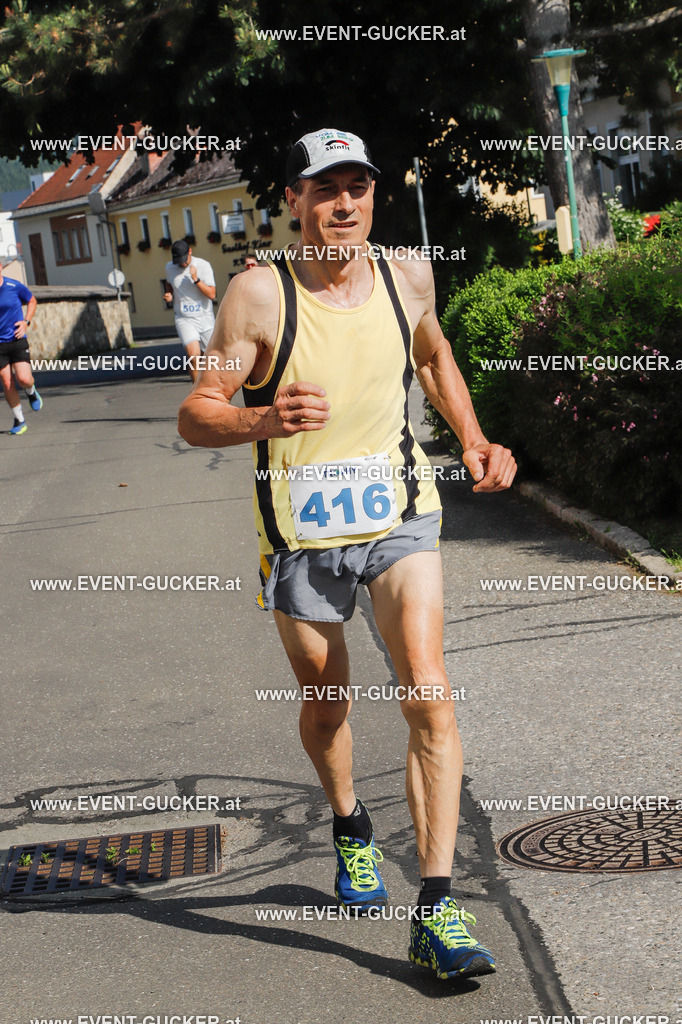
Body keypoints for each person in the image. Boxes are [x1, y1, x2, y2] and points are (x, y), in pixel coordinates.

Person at [178, 128, 516, 981]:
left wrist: (473, 436)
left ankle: (435, 912)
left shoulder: (407, 277)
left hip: (401, 515)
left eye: (357, 186)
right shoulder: (258, 297)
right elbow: (198, 410)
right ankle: (350, 823)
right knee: (328, 706)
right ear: (293, 200)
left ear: (375, 195)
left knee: (429, 696)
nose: (343, 203)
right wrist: (260, 420)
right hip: (300, 536)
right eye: (324, 188)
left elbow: (433, 355)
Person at [163, 239, 217, 382]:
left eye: (184, 259)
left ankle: (211, 386)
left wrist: (196, 279)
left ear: (190, 252)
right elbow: (170, 284)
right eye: (178, 260)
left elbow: (212, 294)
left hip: (205, 318)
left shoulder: (203, 266)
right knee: (193, 356)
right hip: (184, 318)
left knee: (211, 358)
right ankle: (196, 393)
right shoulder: (169, 268)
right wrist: (169, 294)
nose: (182, 264)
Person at [0, 266, 41, 435]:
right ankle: (19, 419)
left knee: (23, 379)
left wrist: (26, 322)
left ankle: (31, 392)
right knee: (7, 382)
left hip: (17, 339)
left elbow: (32, 300)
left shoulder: (14, 286)